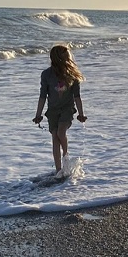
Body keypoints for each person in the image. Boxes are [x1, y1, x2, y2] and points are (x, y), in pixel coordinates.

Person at [33, 44, 87, 174]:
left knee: (60, 133)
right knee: (54, 137)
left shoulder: (72, 75)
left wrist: (81, 114)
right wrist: (38, 114)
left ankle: (66, 159)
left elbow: (77, 97)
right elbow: (42, 96)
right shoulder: (46, 74)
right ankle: (58, 170)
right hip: (52, 111)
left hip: (67, 109)